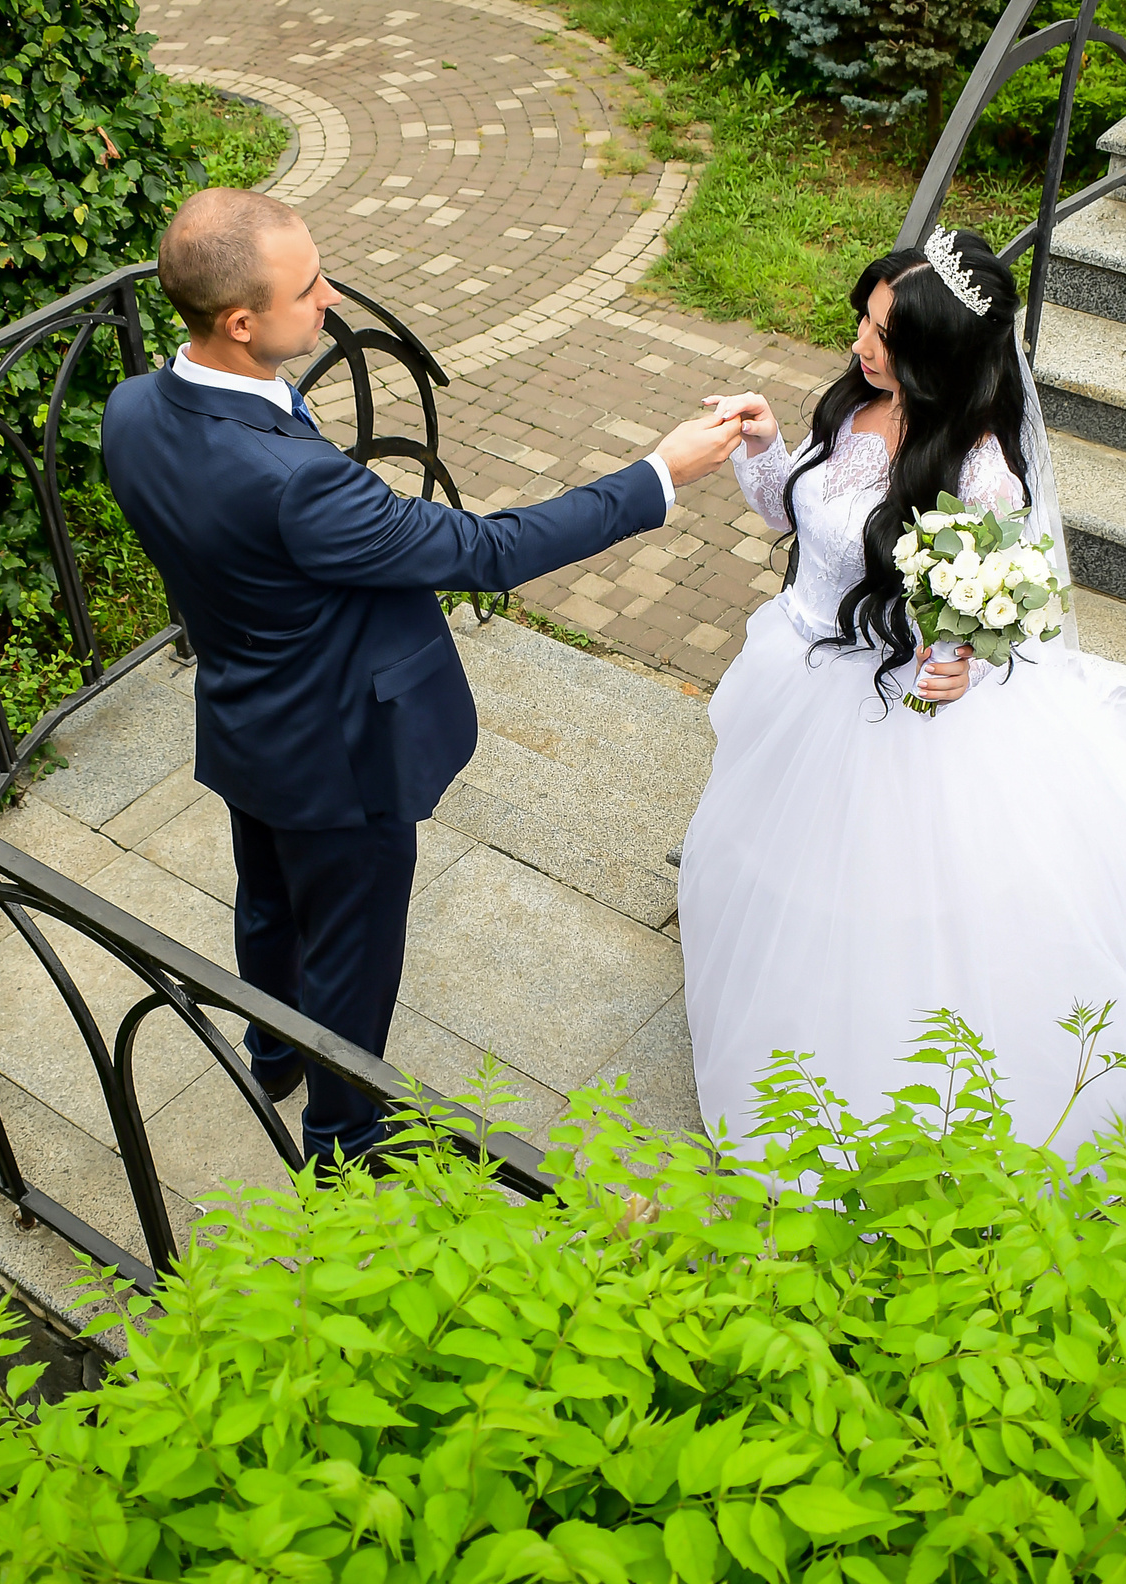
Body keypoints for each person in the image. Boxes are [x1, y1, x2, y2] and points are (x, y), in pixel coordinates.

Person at [103, 188, 743, 1170]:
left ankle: (271, 1052)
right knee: (350, 953)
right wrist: (659, 473)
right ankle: (343, 1144)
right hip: (340, 754)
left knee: (267, 901)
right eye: (308, 288)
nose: (330, 298)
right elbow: (489, 550)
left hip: (241, 718)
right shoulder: (300, 485)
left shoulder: (134, 410)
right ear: (240, 324)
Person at [682, 230, 1126, 1155]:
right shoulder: (859, 403)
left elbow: (999, 610)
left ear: (940, 354)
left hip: (888, 708)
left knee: (884, 889)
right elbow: (803, 521)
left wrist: (962, 662)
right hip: (796, 675)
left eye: (884, 335)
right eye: (865, 320)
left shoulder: (980, 475)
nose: (861, 345)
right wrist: (764, 447)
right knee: (773, 857)